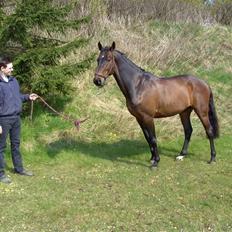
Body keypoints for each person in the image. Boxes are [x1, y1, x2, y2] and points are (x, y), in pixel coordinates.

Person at [0, 56, 38, 184]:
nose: (12, 69)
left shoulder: (13, 80)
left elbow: (17, 97)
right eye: (10, 68)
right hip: (3, 120)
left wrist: (28, 97)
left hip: (16, 118)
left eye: (12, 67)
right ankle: (1, 174)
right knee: (1, 147)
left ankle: (19, 169)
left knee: (16, 145)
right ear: (2, 68)